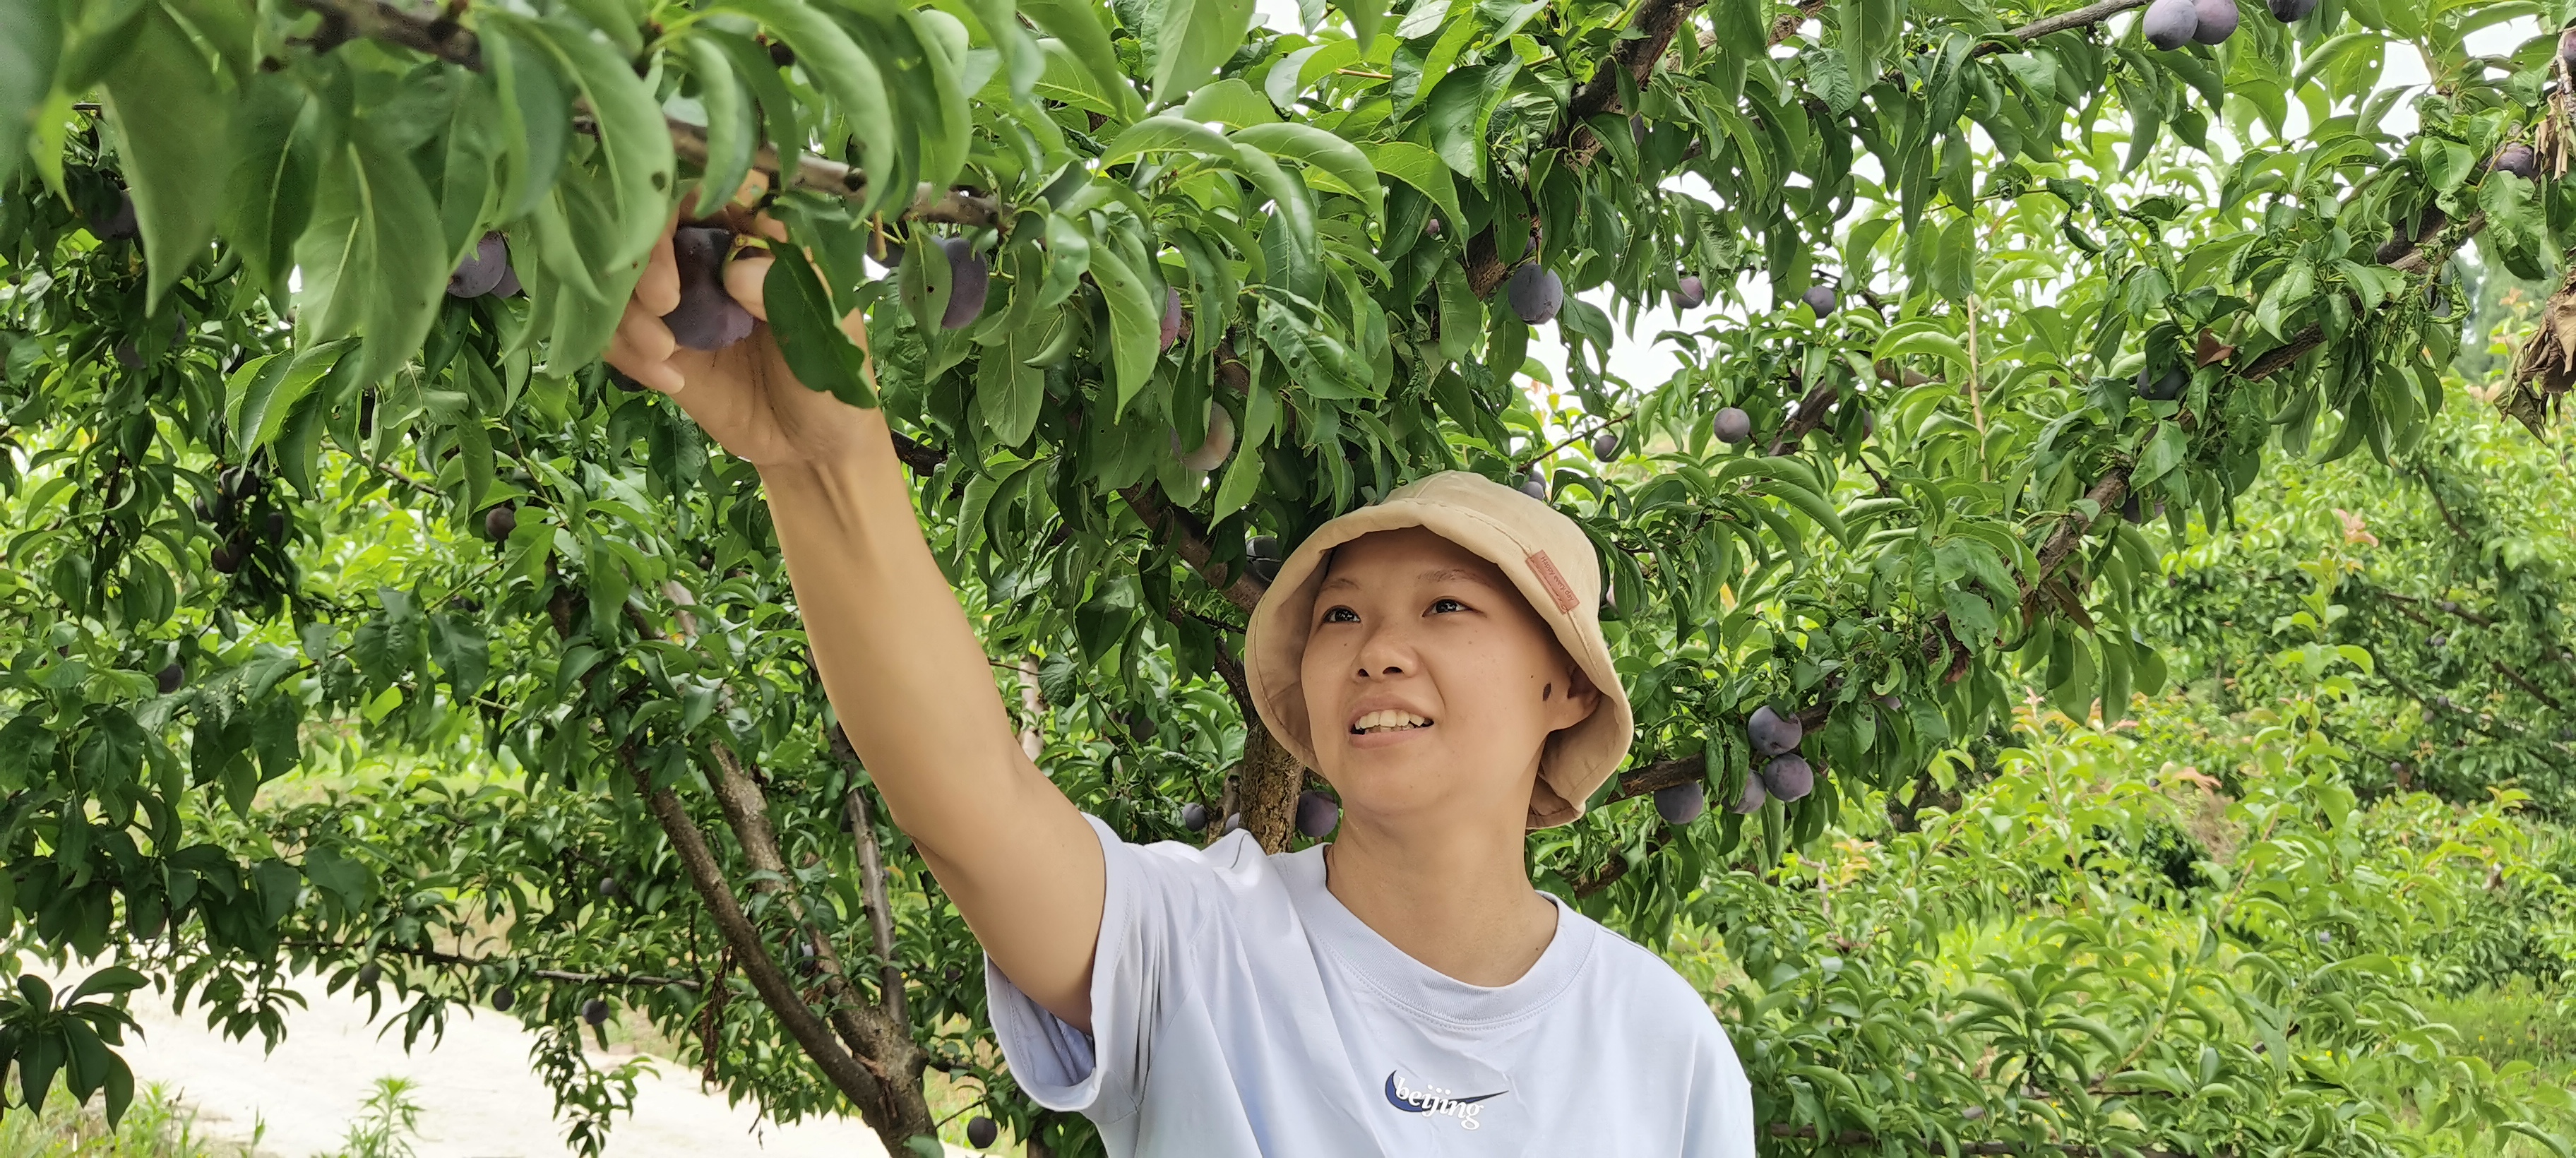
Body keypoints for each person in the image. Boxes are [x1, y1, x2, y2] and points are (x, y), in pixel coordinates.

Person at [604, 213, 1756, 1155]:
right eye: (1341, 614)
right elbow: (971, 804)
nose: (1378, 649)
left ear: (1565, 688)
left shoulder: (1660, 1044)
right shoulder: (1199, 946)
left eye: (1447, 607)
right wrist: (825, 461)